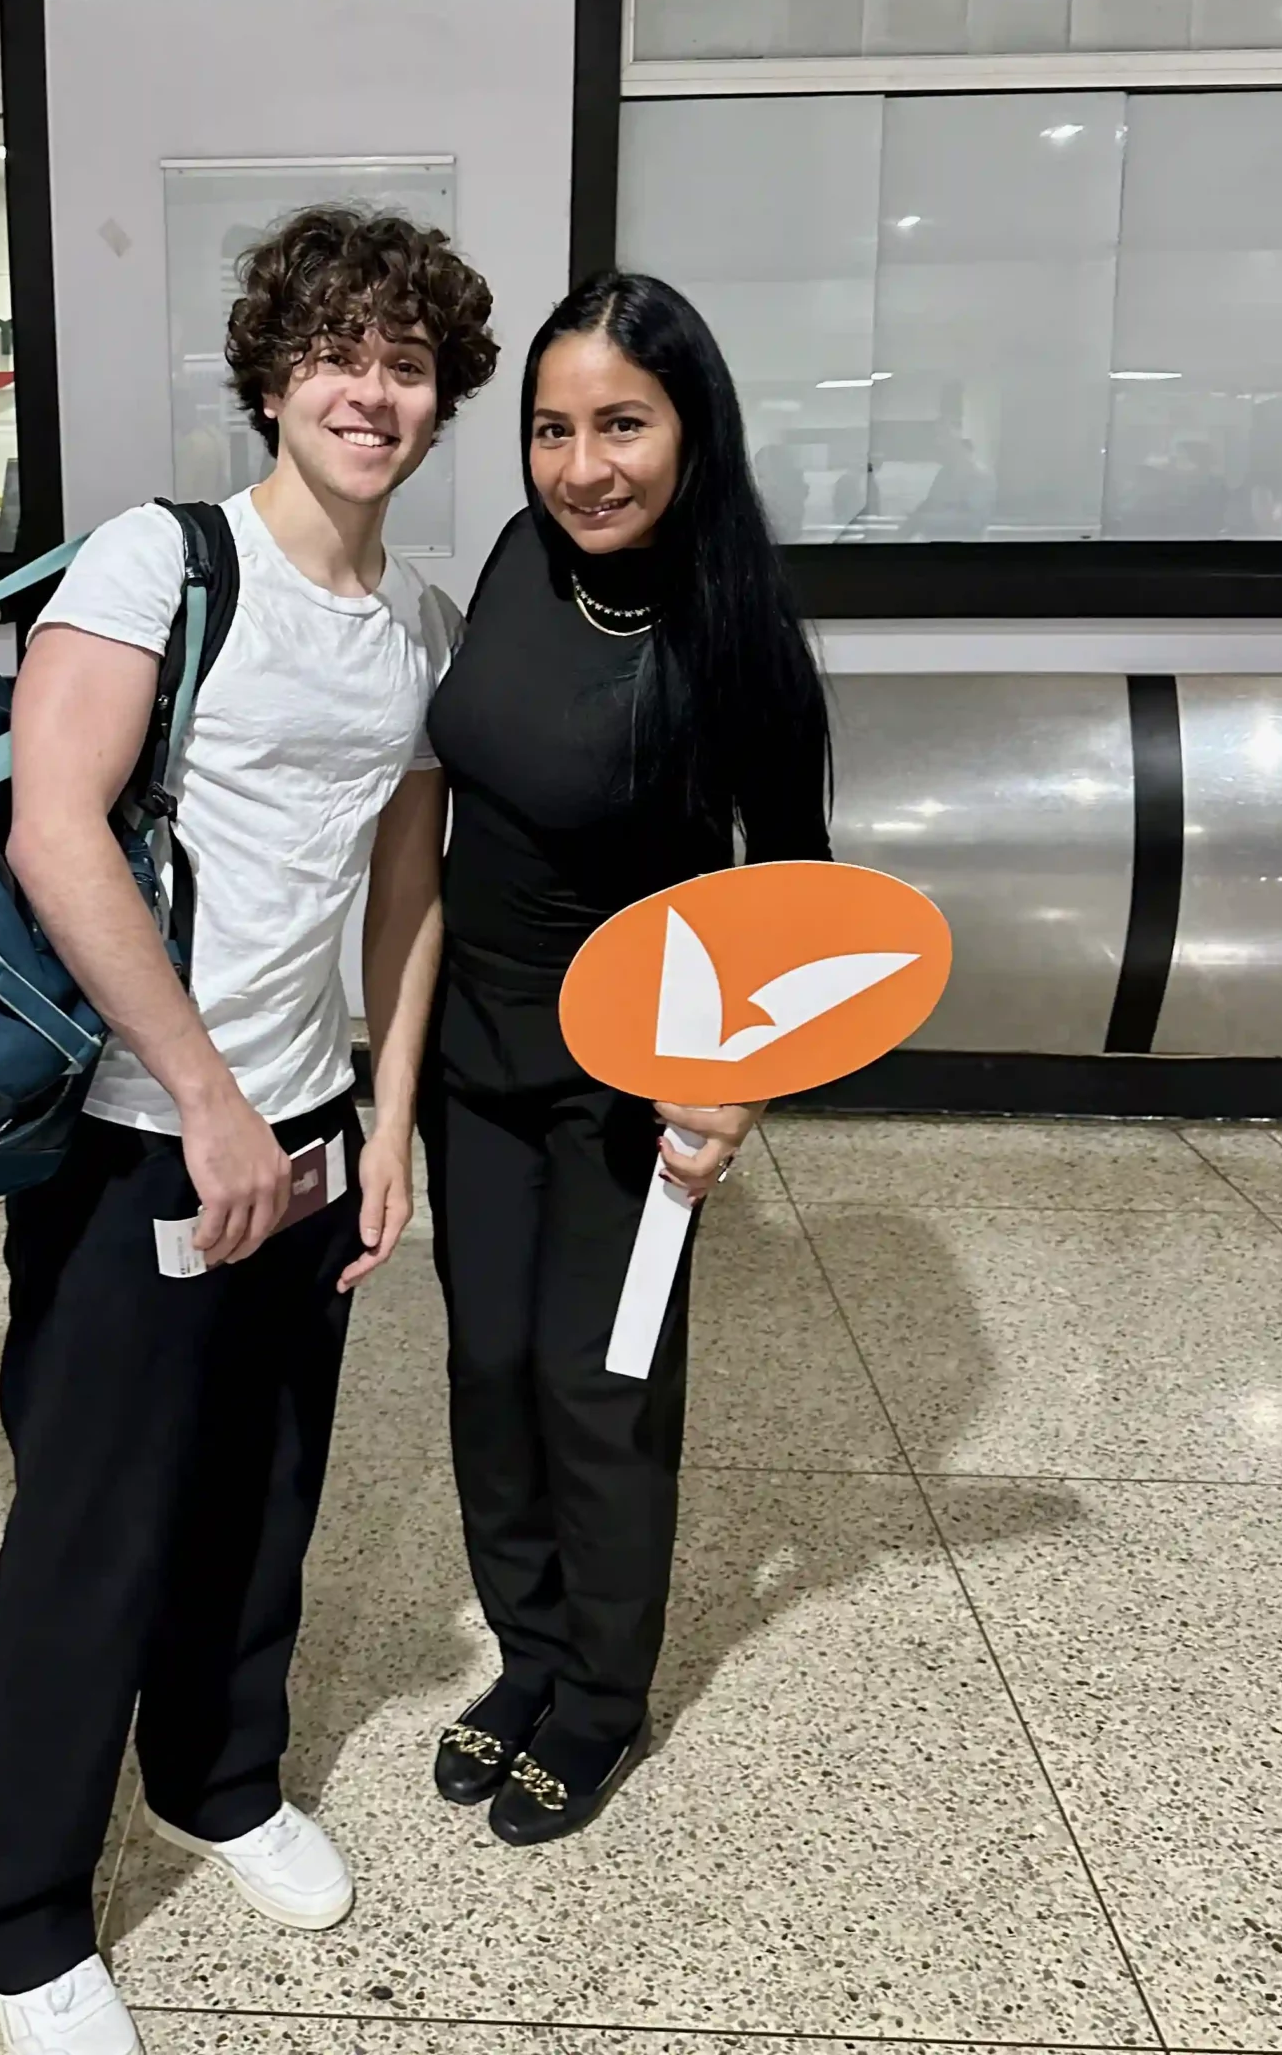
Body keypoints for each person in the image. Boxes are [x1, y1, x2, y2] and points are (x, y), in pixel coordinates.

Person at [0, 205, 498, 2053]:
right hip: (138, 1133)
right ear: (273, 376)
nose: (370, 389)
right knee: (96, 1521)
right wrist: (204, 1103)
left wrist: (384, 1115)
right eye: (337, 354)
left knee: (267, 1488)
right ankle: (20, 1918)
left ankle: (222, 1777)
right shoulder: (160, 562)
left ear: (439, 406)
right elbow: (56, 829)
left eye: (407, 365)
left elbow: (408, 891)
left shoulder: (414, 620)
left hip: (316, 1119)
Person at [420, 270, 832, 1847]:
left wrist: (737, 1084)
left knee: (601, 1393)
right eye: (551, 428)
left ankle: (602, 1696)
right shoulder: (530, 561)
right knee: (486, 1373)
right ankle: (528, 1657)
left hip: (628, 1080)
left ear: (691, 431)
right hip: (470, 1056)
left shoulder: (739, 643)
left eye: (623, 426)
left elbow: (795, 898)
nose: (582, 465)